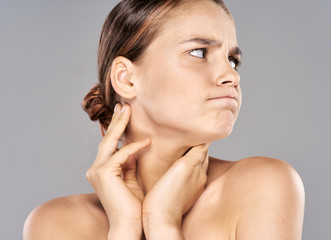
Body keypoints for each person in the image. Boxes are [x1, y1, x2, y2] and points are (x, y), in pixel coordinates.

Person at [23, 0, 305, 239]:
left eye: (232, 59)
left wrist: (163, 223)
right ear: (126, 78)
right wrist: (125, 227)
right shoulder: (56, 225)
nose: (232, 75)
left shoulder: (263, 187)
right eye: (199, 52)